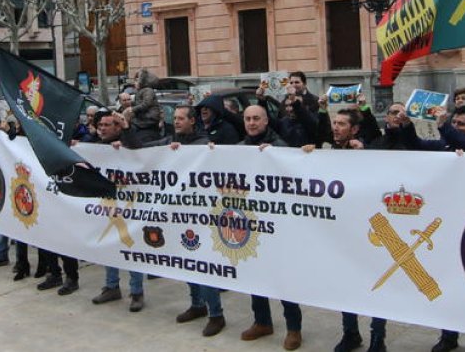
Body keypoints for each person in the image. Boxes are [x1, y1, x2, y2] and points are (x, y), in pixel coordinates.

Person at [401, 104, 465, 352]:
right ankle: (449, 335)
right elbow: (416, 146)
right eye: (453, 124)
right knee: (447, 288)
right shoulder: (444, 144)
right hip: (446, 228)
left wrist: (445, 127)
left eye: (461, 124)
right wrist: (406, 125)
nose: (455, 128)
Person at [304, 110, 388, 352]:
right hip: (342, 235)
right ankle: (351, 333)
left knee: (375, 288)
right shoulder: (329, 153)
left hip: (369, 233)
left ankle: (377, 338)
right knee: (346, 286)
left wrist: (365, 156)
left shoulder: (370, 151)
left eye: (342, 124)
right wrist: (308, 157)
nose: (336, 128)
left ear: (354, 130)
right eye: (334, 124)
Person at [239, 104, 303, 351]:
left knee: (284, 278)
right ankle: (262, 321)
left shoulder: (280, 145)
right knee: (257, 275)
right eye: (248, 119)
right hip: (253, 223)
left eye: (256, 118)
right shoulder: (240, 147)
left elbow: (294, 170)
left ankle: (294, 329)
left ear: (266, 121)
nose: (252, 123)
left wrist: (276, 154)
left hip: (279, 226)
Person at [163, 106, 225, 337]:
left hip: (203, 215)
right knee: (187, 262)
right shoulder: (172, 140)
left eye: (181, 119)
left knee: (204, 264)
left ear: (192, 121)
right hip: (182, 213)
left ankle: (216, 314)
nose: (176, 122)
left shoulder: (202, 143)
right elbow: (143, 148)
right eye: (175, 119)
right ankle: (197, 305)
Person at [91, 111, 147, 312]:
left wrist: (124, 142)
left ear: (117, 127)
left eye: (108, 125)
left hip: (129, 207)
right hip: (106, 206)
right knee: (108, 246)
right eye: (100, 125)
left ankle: (136, 292)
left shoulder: (127, 144)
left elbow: (139, 151)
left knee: (130, 248)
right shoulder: (96, 147)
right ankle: (112, 286)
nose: (103, 128)